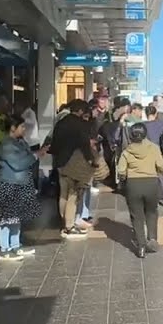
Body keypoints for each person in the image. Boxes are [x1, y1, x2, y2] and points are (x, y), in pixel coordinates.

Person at [116, 122, 163, 258]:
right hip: (151, 184)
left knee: (137, 216)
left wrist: (124, 178)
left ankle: (141, 246)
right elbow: (161, 165)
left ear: (131, 135)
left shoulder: (126, 152)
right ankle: (152, 239)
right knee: (151, 212)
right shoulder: (154, 148)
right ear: (145, 134)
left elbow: (121, 171)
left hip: (133, 185)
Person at [0, 114, 44, 261]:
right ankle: (5, 249)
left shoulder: (20, 141)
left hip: (21, 183)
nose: (24, 129)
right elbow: (18, 164)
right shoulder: (6, 145)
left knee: (16, 217)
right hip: (9, 183)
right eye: (22, 126)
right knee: (6, 218)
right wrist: (35, 156)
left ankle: (15, 245)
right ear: (12, 128)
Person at [49, 100, 96, 239]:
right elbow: (85, 145)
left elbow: (54, 144)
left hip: (60, 163)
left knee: (63, 194)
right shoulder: (79, 124)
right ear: (80, 111)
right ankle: (69, 227)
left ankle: (64, 222)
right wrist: (90, 160)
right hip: (74, 164)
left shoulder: (60, 123)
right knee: (73, 194)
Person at [141, 105, 163, 209]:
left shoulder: (142, 126)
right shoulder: (161, 124)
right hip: (160, 153)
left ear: (146, 114)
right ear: (155, 114)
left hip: (147, 154)